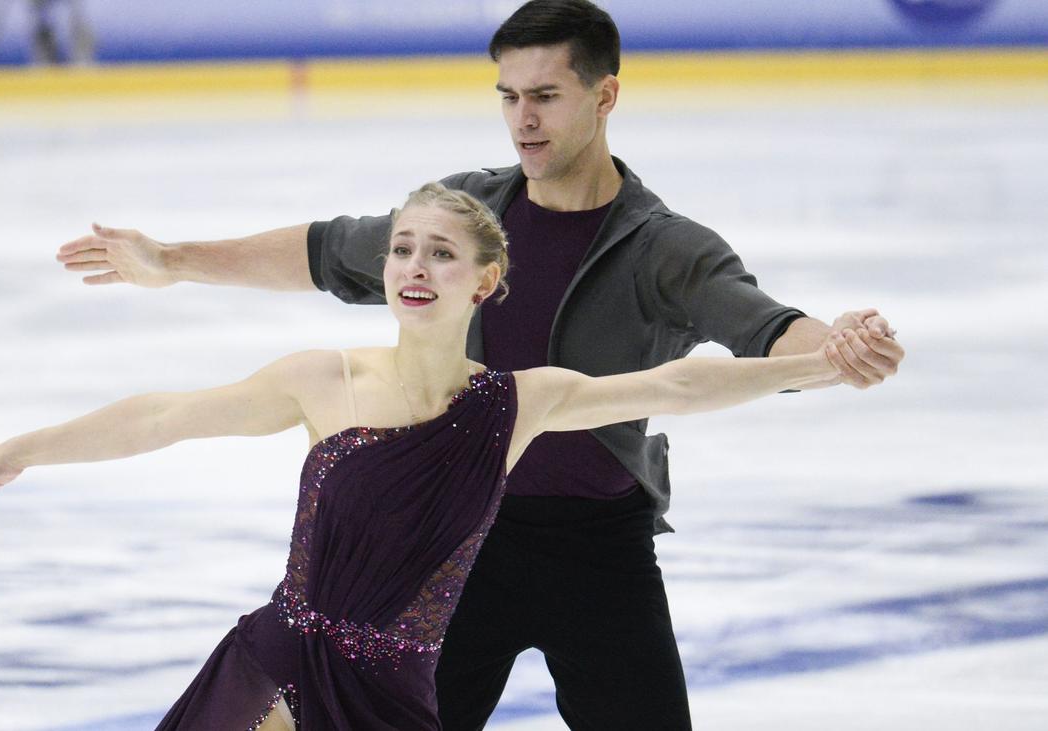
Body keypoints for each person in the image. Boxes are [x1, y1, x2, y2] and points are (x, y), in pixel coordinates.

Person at [52, 2, 906, 728]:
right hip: (453, 549)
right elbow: (327, 252)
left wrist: (838, 347)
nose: (523, 119)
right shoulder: (466, 220)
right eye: (509, 97)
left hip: (599, 553)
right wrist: (173, 259)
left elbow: (762, 325)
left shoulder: (662, 247)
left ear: (605, 96)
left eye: (546, 96)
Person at [0, 183, 851, 730]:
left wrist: (818, 363)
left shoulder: (517, 403)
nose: (414, 265)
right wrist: (18, 451)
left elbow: (677, 385)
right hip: (279, 669)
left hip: (394, 694)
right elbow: (165, 417)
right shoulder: (324, 378)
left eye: (441, 253)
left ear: (485, 280)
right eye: (403, 249)